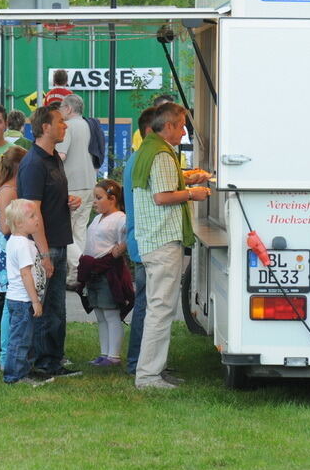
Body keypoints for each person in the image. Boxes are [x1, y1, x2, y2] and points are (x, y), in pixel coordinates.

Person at [132, 101, 210, 390]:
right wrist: (193, 192)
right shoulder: (163, 154)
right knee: (161, 309)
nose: (184, 131)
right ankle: (149, 376)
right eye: (181, 126)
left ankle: (152, 371)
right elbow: (162, 196)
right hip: (163, 239)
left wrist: (188, 177)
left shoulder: (150, 148)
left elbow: (158, 186)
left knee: (157, 307)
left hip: (153, 239)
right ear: (169, 127)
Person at [17, 104, 82, 379]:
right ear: (45, 127)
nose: (65, 126)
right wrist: (44, 253)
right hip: (45, 246)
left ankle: (53, 359)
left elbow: (48, 198)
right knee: (45, 306)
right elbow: (32, 211)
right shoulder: (33, 163)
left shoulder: (53, 158)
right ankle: (43, 363)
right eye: (60, 122)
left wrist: (68, 201)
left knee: (57, 307)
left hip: (57, 241)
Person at [77, 179, 131, 367]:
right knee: (100, 313)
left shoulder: (120, 218)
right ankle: (104, 352)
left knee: (111, 313)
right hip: (94, 271)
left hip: (108, 271)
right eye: (94, 198)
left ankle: (114, 355)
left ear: (112, 198)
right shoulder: (97, 219)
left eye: (99, 198)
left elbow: (127, 236)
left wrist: (121, 247)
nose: (95, 202)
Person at [1, 198, 50, 386]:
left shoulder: (16, 241)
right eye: (32, 216)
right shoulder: (22, 245)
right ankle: (14, 376)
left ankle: (24, 370)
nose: (37, 219)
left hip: (18, 298)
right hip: (23, 300)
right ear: (19, 223)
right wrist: (35, 300)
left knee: (24, 337)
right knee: (20, 340)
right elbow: (25, 274)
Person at [0, 145, 27, 367]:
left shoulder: (4, 188)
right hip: (8, 249)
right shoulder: (9, 191)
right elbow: (5, 227)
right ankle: (6, 350)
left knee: (7, 298)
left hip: (4, 249)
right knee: (9, 299)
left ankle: (8, 348)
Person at [124, 106, 157, 375]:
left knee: (146, 304)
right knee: (146, 306)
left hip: (140, 240)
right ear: (150, 130)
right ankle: (137, 362)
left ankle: (138, 361)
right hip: (146, 241)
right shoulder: (144, 158)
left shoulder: (137, 158)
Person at [56, 94, 95, 286]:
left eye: (62, 107)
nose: (60, 112)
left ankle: (82, 269)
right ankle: (75, 278)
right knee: (80, 231)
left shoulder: (68, 126)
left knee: (65, 231)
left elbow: (61, 155)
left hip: (73, 185)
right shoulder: (88, 125)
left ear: (69, 109)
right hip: (90, 182)